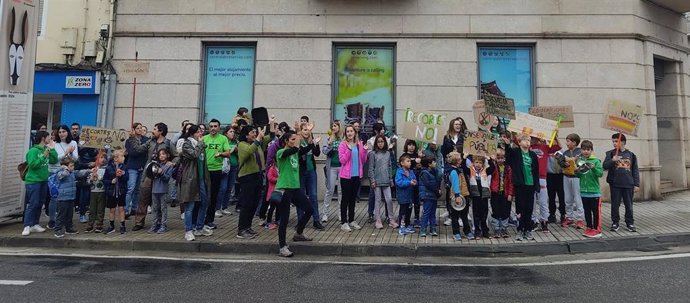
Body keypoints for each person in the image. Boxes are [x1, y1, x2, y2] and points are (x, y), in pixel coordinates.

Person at [275, 131, 315, 257]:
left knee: (309, 209)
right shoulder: (281, 152)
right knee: (285, 219)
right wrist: (297, 143)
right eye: (292, 139)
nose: (295, 141)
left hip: (295, 188)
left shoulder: (296, 152)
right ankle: (282, 247)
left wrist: (310, 138)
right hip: (284, 189)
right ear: (286, 141)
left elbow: (308, 148)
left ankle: (298, 233)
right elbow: (290, 151)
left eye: (295, 139)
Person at [131, 123, 176, 231]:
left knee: (159, 202)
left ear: (161, 131)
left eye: (155, 129)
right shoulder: (150, 141)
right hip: (148, 174)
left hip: (160, 176)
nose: (153, 131)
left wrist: (172, 162)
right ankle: (139, 222)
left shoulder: (168, 143)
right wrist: (133, 138)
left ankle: (159, 223)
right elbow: (138, 149)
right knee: (143, 197)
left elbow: (177, 156)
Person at [178, 124, 213, 241]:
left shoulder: (200, 144)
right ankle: (188, 230)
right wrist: (200, 144)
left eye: (202, 131)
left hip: (202, 178)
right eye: (198, 132)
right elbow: (194, 155)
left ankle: (199, 227)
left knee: (204, 202)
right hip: (191, 179)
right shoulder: (187, 144)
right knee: (190, 205)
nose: (201, 134)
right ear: (193, 133)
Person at [236, 125, 272, 239]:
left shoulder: (258, 144)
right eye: (252, 132)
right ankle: (241, 229)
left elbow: (269, 137)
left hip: (258, 175)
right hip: (247, 176)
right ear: (246, 135)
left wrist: (270, 124)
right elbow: (248, 151)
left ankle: (248, 226)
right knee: (247, 203)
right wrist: (258, 139)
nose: (255, 134)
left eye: (255, 132)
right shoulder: (242, 145)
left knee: (254, 203)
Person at [503, 134, 540, 241]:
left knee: (529, 208)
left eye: (529, 140)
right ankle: (520, 229)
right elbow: (508, 157)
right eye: (525, 140)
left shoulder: (533, 155)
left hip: (530, 184)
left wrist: (536, 185)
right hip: (520, 185)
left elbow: (536, 171)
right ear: (519, 143)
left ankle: (527, 229)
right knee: (520, 208)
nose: (527, 142)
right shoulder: (516, 153)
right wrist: (506, 145)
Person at [21, 131, 57, 236]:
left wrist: (52, 149)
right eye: (48, 137)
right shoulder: (33, 150)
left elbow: (54, 160)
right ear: (43, 138)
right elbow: (32, 165)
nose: (50, 139)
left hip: (43, 180)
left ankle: (35, 224)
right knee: (33, 203)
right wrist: (43, 156)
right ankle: (27, 225)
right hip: (33, 181)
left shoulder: (46, 149)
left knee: (40, 203)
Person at [603, 133, 640, 232]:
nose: (614, 143)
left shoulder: (631, 155)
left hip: (628, 183)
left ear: (623, 142)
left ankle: (630, 223)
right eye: (613, 142)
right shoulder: (610, 154)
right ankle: (615, 222)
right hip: (615, 184)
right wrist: (612, 160)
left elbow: (635, 170)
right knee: (615, 204)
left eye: (616, 141)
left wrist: (636, 184)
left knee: (629, 204)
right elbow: (605, 166)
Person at [47, 125, 80, 229]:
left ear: (67, 132)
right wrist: (65, 153)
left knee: (67, 199)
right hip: (56, 171)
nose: (61, 134)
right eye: (60, 132)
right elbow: (54, 159)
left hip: (69, 172)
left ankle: (66, 222)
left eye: (64, 131)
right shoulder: (54, 144)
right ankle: (52, 220)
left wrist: (70, 152)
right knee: (54, 197)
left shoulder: (73, 142)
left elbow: (75, 159)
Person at [202, 119, 231, 230]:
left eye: (215, 126)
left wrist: (220, 154)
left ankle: (209, 220)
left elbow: (228, 153)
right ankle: (201, 219)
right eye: (211, 126)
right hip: (205, 170)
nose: (213, 128)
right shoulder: (204, 138)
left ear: (219, 128)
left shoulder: (223, 138)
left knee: (213, 196)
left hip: (217, 170)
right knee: (203, 195)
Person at [338, 125, 368, 232]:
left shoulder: (359, 144)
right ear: (345, 133)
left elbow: (363, 160)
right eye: (348, 131)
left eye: (351, 131)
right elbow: (342, 160)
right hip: (346, 177)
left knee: (352, 199)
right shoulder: (343, 145)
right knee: (345, 199)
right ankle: (343, 222)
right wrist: (349, 150)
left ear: (355, 132)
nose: (350, 133)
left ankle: (351, 220)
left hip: (356, 176)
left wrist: (364, 151)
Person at [53, 158, 91, 238]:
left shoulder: (72, 172)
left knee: (69, 214)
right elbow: (61, 176)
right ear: (65, 166)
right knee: (61, 214)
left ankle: (69, 228)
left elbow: (80, 173)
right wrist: (65, 170)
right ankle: (57, 229)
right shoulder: (60, 172)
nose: (73, 167)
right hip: (63, 197)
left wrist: (89, 171)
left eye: (73, 166)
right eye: (71, 166)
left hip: (71, 196)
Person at [530, 137, 561, 232]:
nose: (533, 139)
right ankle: (533, 221)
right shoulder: (527, 147)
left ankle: (544, 221)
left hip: (541, 177)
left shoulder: (545, 147)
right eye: (531, 137)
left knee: (543, 201)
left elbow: (558, 147)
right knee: (532, 201)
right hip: (530, 177)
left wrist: (555, 135)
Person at [297, 122, 324, 230]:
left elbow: (317, 153)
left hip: (311, 170)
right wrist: (312, 144)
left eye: (308, 130)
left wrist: (316, 144)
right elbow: (301, 152)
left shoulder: (311, 141)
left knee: (313, 196)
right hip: (301, 171)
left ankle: (316, 220)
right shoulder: (298, 141)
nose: (307, 132)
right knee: (301, 196)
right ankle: (300, 221)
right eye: (304, 130)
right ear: (300, 131)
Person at [576, 140, 604, 238]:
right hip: (584, 191)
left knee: (596, 212)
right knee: (586, 211)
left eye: (588, 149)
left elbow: (600, 174)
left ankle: (597, 230)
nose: (586, 151)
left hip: (594, 192)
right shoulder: (580, 161)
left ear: (591, 150)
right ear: (581, 150)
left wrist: (593, 168)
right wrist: (576, 171)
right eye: (584, 149)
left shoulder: (596, 161)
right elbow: (578, 175)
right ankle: (589, 227)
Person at [368, 135, 397, 229]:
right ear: (376, 143)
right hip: (376, 181)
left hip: (386, 180)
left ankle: (391, 219)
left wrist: (391, 179)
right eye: (378, 142)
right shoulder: (373, 153)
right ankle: (378, 220)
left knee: (389, 200)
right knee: (377, 201)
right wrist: (372, 180)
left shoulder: (388, 153)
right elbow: (371, 168)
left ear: (385, 142)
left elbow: (390, 166)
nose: (380, 143)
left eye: (382, 141)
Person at [558, 133, 585, 229]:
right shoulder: (565, 153)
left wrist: (575, 161)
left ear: (574, 142)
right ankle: (569, 217)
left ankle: (580, 219)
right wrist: (563, 163)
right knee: (568, 198)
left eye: (568, 141)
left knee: (578, 198)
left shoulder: (580, 152)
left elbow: (582, 163)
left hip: (576, 177)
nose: (566, 143)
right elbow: (560, 163)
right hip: (566, 177)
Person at [124, 122, 149, 218]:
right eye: (138, 128)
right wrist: (140, 150)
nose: (140, 130)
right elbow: (132, 152)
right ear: (134, 130)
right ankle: (126, 209)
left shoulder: (146, 140)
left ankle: (134, 208)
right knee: (131, 188)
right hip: (132, 166)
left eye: (141, 128)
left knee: (138, 189)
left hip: (142, 166)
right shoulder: (129, 140)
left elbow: (145, 151)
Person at [445, 152, 471, 241]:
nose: (461, 161)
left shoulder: (458, 169)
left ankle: (466, 231)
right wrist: (457, 196)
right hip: (459, 196)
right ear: (456, 161)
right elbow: (455, 184)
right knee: (456, 216)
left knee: (463, 215)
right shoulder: (454, 171)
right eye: (460, 159)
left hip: (463, 195)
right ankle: (457, 232)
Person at [321, 120, 343, 223]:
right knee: (329, 190)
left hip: (342, 168)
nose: (333, 128)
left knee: (340, 191)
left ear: (339, 127)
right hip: (332, 167)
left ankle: (340, 214)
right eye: (332, 126)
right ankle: (325, 214)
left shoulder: (343, 138)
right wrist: (330, 144)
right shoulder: (329, 138)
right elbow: (324, 151)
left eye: (335, 126)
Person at [466, 155, 492, 239]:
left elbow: (493, 169)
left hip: (484, 195)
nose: (478, 164)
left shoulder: (485, 170)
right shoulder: (470, 169)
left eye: (480, 163)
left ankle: (485, 231)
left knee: (484, 214)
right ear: (473, 163)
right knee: (476, 214)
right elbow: (463, 168)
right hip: (475, 194)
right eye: (476, 162)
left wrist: (490, 159)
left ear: (483, 164)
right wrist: (464, 158)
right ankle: (477, 231)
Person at [489, 148, 513, 238]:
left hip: (505, 193)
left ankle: (504, 228)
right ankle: (496, 228)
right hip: (495, 193)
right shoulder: (494, 167)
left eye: (502, 158)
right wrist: (491, 160)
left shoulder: (508, 168)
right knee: (496, 211)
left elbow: (511, 182)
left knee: (505, 211)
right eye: (498, 157)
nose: (500, 159)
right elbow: (490, 172)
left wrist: (510, 194)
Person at [150, 149, 175, 234]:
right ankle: (155, 224)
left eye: (163, 154)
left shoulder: (169, 165)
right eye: (160, 154)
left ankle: (163, 225)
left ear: (167, 155)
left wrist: (161, 173)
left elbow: (167, 178)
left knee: (163, 208)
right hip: (154, 189)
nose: (161, 156)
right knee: (155, 208)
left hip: (163, 189)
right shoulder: (156, 165)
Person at [103, 150, 128, 235]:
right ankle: (111, 226)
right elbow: (105, 180)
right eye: (122, 156)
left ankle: (122, 225)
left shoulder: (124, 167)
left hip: (121, 191)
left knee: (121, 208)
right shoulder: (109, 168)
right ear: (116, 158)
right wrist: (111, 181)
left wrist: (121, 176)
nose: (124, 158)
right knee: (112, 209)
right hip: (111, 192)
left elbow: (127, 178)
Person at [219, 125, 240, 215]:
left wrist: (236, 150)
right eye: (230, 132)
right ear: (225, 133)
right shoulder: (223, 141)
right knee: (222, 188)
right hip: (224, 167)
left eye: (233, 132)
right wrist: (230, 150)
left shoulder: (235, 142)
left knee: (229, 188)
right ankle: (217, 207)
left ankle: (225, 207)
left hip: (233, 166)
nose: (232, 133)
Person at [85, 151, 107, 233]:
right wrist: (91, 178)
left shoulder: (106, 169)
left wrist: (100, 177)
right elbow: (88, 182)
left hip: (102, 191)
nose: (103, 160)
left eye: (104, 158)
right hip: (93, 191)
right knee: (92, 209)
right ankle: (90, 224)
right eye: (101, 158)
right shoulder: (92, 170)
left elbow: (106, 180)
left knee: (100, 209)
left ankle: (99, 224)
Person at [418, 155, 441, 237]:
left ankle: (433, 228)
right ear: (429, 164)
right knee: (426, 212)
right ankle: (423, 229)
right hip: (427, 195)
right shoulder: (424, 173)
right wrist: (437, 190)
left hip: (433, 195)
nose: (435, 163)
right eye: (434, 162)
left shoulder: (433, 171)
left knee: (433, 213)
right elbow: (428, 184)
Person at [402, 139, 422, 228]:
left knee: (417, 200)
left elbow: (420, 164)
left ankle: (417, 218)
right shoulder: (404, 156)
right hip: (408, 181)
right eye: (409, 145)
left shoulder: (417, 155)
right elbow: (405, 165)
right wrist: (415, 162)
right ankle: (406, 219)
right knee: (408, 201)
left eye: (413, 145)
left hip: (417, 180)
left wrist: (420, 158)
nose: (411, 146)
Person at [395, 154, 417, 235]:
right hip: (403, 196)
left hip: (410, 196)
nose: (410, 163)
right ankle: (402, 226)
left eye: (410, 161)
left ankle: (407, 225)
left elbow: (414, 178)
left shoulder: (411, 171)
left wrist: (415, 181)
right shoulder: (399, 172)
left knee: (409, 211)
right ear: (402, 163)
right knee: (403, 212)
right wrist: (409, 182)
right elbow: (399, 182)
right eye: (408, 161)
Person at [547, 137, 566, 224]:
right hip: (550, 175)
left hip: (560, 175)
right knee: (551, 196)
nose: (553, 143)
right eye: (551, 141)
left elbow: (562, 148)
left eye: (555, 141)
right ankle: (552, 214)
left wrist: (556, 136)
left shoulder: (560, 152)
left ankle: (563, 214)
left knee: (561, 196)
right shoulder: (546, 151)